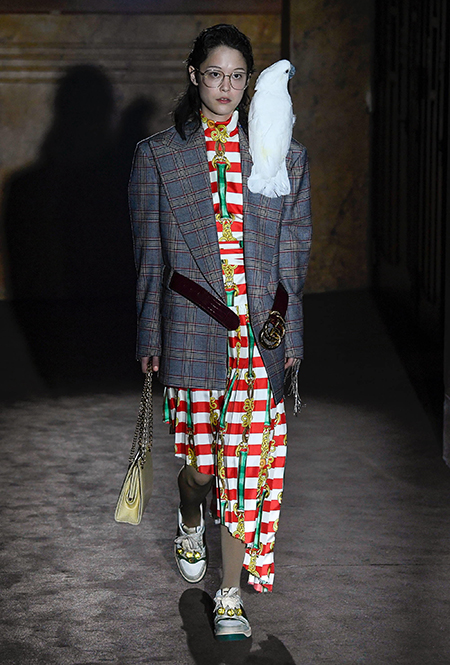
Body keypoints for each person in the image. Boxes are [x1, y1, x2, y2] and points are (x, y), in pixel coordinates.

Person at [129, 23, 312, 641]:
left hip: (259, 338)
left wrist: (289, 339)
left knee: (244, 470)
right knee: (203, 471)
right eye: (215, 74)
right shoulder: (158, 156)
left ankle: (230, 593)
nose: (226, 87)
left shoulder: (281, 154)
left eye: (238, 76)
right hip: (191, 325)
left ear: (249, 81)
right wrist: (149, 339)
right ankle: (189, 517)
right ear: (194, 75)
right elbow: (150, 259)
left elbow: (292, 257)